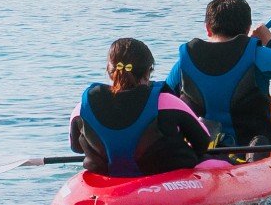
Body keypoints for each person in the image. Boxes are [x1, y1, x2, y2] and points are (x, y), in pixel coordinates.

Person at [167, 0, 271, 149]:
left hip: (203, 145)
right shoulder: (257, 54)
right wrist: (270, 40)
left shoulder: (185, 59)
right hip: (252, 144)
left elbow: (165, 97)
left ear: (208, 28)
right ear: (248, 28)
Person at [71, 38, 213, 177]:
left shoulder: (82, 108)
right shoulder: (167, 102)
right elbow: (203, 142)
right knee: (217, 161)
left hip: (106, 179)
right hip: (161, 176)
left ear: (109, 70)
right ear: (147, 73)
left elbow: (77, 148)